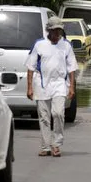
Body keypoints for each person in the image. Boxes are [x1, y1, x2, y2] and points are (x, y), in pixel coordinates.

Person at [25, 16, 78, 157]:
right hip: (41, 85)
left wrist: (72, 87)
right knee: (44, 117)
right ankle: (45, 146)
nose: (57, 34)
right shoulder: (39, 44)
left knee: (58, 113)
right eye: (54, 31)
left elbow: (72, 68)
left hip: (60, 84)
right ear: (49, 30)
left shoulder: (66, 45)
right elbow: (30, 67)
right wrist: (29, 87)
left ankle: (57, 144)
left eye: (59, 31)